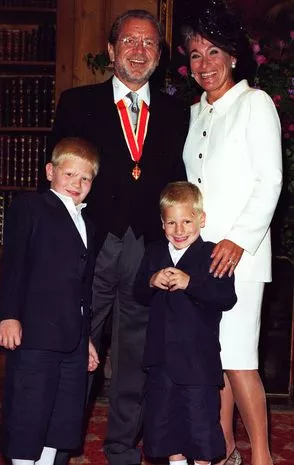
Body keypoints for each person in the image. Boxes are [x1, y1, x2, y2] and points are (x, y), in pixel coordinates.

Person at [49, 9, 189, 465]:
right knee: (75, 348)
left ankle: (122, 448)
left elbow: (179, 180)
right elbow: (52, 183)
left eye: (148, 43)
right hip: (90, 246)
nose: (138, 50)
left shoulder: (175, 112)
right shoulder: (76, 102)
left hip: (146, 248)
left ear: (159, 55)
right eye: (129, 41)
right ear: (111, 51)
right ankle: (60, 445)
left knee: (134, 357)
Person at [182, 2, 283, 465]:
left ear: (234, 56)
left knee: (240, 359)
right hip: (201, 258)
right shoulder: (196, 113)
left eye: (214, 51)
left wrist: (239, 239)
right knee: (213, 359)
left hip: (240, 256)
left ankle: (261, 455)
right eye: (196, 54)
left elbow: (270, 181)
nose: (205, 63)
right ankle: (222, 450)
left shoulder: (254, 104)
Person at [0, 137, 100, 465]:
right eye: (69, 174)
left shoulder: (88, 223)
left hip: (72, 339)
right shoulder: (30, 207)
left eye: (85, 178)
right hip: (35, 335)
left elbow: (85, 289)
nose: (77, 183)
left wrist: (86, 340)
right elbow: (14, 263)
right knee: (30, 412)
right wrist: (9, 315)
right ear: (50, 172)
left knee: (62, 416)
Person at [134, 181, 237, 465]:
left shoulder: (213, 254)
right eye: (172, 223)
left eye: (187, 221)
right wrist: (152, 281)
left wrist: (191, 284)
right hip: (161, 361)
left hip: (198, 363)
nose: (179, 230)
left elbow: (226, 297)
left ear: (201, 219)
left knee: (200, 427)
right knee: (166, 427)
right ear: (162, 224)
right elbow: (137, 293)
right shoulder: (154, 252)